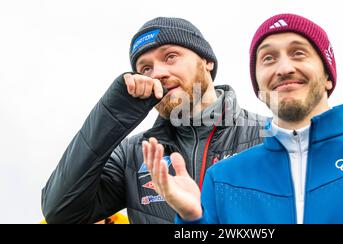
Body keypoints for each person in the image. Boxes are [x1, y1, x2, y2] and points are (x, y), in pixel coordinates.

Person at [144, 13, 343, 224]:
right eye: (268, 58)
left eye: (298, 53)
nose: (283, 68)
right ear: (259, 86)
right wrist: (192, 220)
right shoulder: (223, 178)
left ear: (327, 76)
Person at [41, 17, 265, 224]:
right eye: (145, 68)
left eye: (170, 57)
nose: (157, 73)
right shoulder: (131, 153)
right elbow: (60, 213)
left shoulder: (267, 135)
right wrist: (113, 113)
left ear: (207, 61)